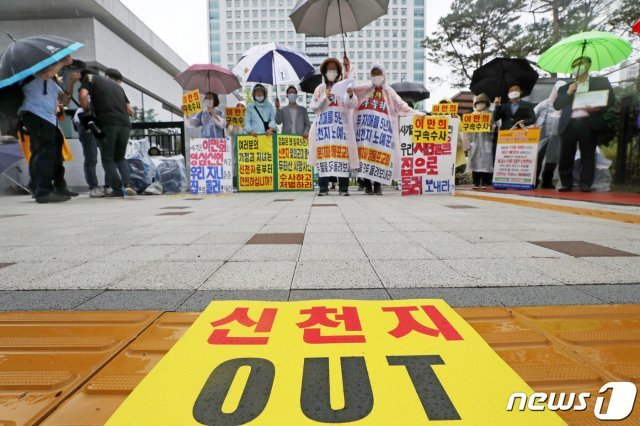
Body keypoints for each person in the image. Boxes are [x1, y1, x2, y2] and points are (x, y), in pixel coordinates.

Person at [351, 65, 423, 195]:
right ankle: (367, 185)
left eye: (379, 73)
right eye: (374, 74)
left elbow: (400, 105)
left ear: (384, 75)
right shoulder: (363, 89)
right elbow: (349, 92)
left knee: (381, 157)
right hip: (365, 133)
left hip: (383, 133)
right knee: (365, 157)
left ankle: (378, 185)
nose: (376, 76)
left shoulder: (389, 92)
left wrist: (415, 113)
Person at [20, 56, 78, 203]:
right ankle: (42, 191)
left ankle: (59, 186)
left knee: (56, 152)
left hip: (50, 119)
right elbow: (46, 74)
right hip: (34, 115)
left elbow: (64, 100)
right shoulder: (31, 75)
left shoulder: (51, 81)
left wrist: (71, 82)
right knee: (45, 151)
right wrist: (63, 62)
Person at [554, 56, 615, 192]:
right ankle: (566, 183)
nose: (577, 67)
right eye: (574, 65)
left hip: (588, 123)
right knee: (566, 155)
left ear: (588, 65)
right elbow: (557, 105)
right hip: (569, 124)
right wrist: (569, 92)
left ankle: (585, 184)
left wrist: (597, 107)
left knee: (588, 154)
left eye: (581, 64)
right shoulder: (565, 87)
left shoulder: (600, 82)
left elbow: (611, 100)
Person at [79, 68, 134, 198]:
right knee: (120, 157)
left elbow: (82, 96)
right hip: (125, 123)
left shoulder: (89, 78)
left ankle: (117, 190)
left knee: (107, 158)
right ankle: (128, 185)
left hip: (108, 122)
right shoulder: (118, 87)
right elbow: (130, 110)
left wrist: (87, 110)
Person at [307, 57, 358, 196]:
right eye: (329, 69)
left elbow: (352, 104)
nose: (332, 71)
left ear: (338, 72)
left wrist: (351, 94)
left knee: (342, 157)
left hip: (341, 131)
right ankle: (323, 188)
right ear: (324, 72)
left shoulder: (344, 86)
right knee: (324, 156)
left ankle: (343, 188)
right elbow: (314, 107)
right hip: (324, 132)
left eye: (334, 69)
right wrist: (325, 97)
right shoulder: (320, 89)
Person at [533, 80, 566, 189]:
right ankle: (534, 180)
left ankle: (547, 181)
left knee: (552, 159)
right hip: (541, 137)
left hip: (556, 137)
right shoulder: (544, 104)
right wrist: (533, 124)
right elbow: (532, 116)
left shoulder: (564, 106)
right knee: (538, 158)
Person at [462, 93, 495, 189]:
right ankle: (476, 182)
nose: (480, 104)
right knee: (474, 163)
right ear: (475, 104)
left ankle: (485, 182)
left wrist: (491, 127)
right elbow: (466, 131)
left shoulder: (491, 114)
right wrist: (467, 144)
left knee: (487, 163)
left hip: (487, 142)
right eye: (478, 103)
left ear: (487, 103)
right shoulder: (471, 116)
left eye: (482, 102)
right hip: (474, 143)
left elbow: (497, 125)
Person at [73, 106, 105, 197]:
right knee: (91, 158)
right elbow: (83, 100)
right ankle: (94, 188)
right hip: (87, 122)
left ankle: (106, 186)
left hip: (95, 122)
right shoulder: (87, 93)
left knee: (106, 158)